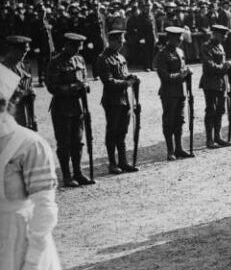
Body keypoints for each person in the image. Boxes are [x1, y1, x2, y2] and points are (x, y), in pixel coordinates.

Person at [0, 63, 86, 270]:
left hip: (21, 245)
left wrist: (33, 262)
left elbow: (45, 207)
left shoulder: (29, 145)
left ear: (10, 103)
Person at [46, 32, 93, 187]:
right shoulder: (56, 61)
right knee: (64, 143)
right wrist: (74, 87)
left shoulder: (80, 59)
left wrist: (85, 86)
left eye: (79, 47)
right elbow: (52, 87)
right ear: (67, 45)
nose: (78, 50)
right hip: (62, 108)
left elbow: (84, 78)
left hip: (78, 106)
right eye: (75, 47)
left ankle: (78, 173)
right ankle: (66, 175)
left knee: (78, 142)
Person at [95, 30, 139, 174]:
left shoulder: (120, 57)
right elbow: (108, 81)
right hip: (112, 100)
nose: (122, 43)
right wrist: (127, 83)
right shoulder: (103, 58)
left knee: (122, 132)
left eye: (122, 40)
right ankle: (112, 163)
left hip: (124, 99)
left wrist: (131, 77)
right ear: (111, 41)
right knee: (112, 131)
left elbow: (124, 74)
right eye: (120, 40)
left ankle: (123, 162)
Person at [155, 26, 194, 161]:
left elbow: (182, 69)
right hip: (168, 92)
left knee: (179, 120)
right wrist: (180, 75)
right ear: (170, 38)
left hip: (180, 91)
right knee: (169, 121)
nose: (180, 40)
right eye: (177, 38)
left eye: (181, 38)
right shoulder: (163, 54)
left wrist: (187, 73)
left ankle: (179, 148)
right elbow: (163, 75)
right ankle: (170, 150)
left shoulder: (180, 51)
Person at [200, 24, 231, 148]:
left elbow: (222, 63)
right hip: (210, 82)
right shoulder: (206, 46)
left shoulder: (220, 46)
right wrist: (224, 67)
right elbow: (209, 66)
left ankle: (218, 137)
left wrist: (227, 82)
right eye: (223, 35)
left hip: (221, 83)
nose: (225, 37)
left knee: (220, 110)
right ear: (216, 34)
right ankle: (209, 139)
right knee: (211, 111)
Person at [1, 35, 36, 130]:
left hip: (25, 114)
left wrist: (32, 118)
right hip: (9, 115)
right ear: (12, 50)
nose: (24, 54)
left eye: (26, 51)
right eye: (21, 51)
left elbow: (30, 92)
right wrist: (23, 93)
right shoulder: (3, 68)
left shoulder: (25, 66)